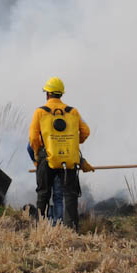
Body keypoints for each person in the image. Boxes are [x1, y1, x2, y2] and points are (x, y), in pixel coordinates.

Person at [29, 77, 90, 230]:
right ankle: (71, 230)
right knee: (70, 195)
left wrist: (37, 155)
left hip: (47, 157)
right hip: (68, 158)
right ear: (61, 94)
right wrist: (75, 142)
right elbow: (85, 131)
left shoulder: (40, 112)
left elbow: (33, 138)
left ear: (47, 94)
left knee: (43, 194)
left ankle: (40, 229)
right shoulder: (73, 111)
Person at [27, 142, 64, 222]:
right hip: (60, 164)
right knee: (58, 197)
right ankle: (58, 225)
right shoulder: (65, 130)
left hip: (44, 165)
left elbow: (30, 146)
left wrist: (36, 162)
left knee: (44, 195)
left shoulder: (42, 130)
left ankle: (42, 223)